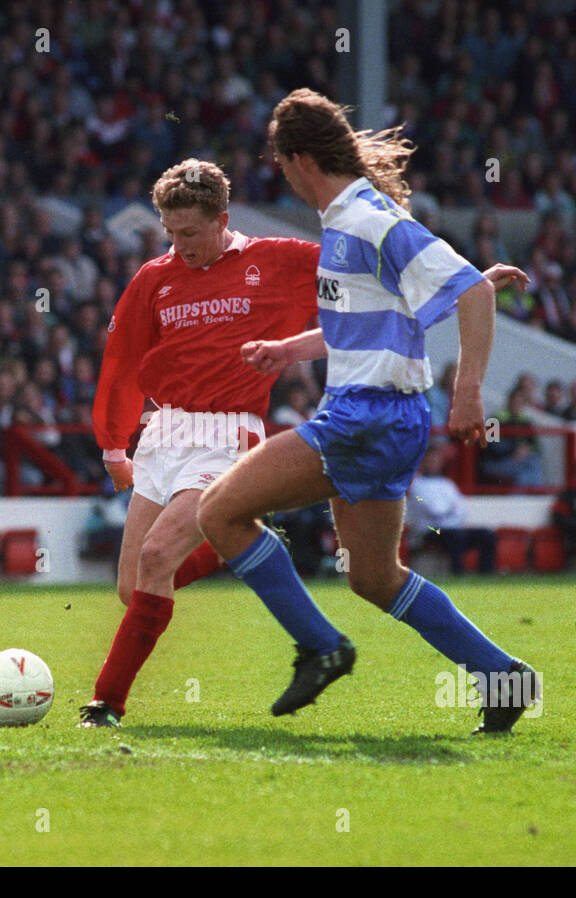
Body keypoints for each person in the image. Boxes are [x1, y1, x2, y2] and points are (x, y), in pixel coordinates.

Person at [197, 89, 540, 734]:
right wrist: (289, 348)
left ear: (300, 159)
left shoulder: (364, 219)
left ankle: (320, 646)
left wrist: (468, 392)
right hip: (389, 420)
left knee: (219, 512)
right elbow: (370, 315)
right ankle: (502, 676)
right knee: (375, 578)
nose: (283, 174)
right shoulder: (347, 221)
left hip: (365, 416)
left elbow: (467, 292)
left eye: (281, 161)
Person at [78, 159, 321, 728]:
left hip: (228, 434)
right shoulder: (153, 278)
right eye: (170, 232)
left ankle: (105, 702)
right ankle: (238, 531)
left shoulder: (275, 260)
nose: (179, 245)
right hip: (164, 434)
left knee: (157, 557)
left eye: (190, 232)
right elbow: (122, 361)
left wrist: (461, 279)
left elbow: (359, 266)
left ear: (223, 220)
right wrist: (115, 445)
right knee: (131, 586)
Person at [407, 439, 496, 574]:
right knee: (455, 536)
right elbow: (432, 509)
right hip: (430, 530)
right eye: (431, 459)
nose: (435, 462)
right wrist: (450, 511)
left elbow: (462, 508)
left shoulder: (447, 483)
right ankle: (457, 573)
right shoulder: (417, 485)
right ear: (423, 461)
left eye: (437, 459)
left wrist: (449, 512)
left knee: (486, 534)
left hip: (452, 528)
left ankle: (486, 574)